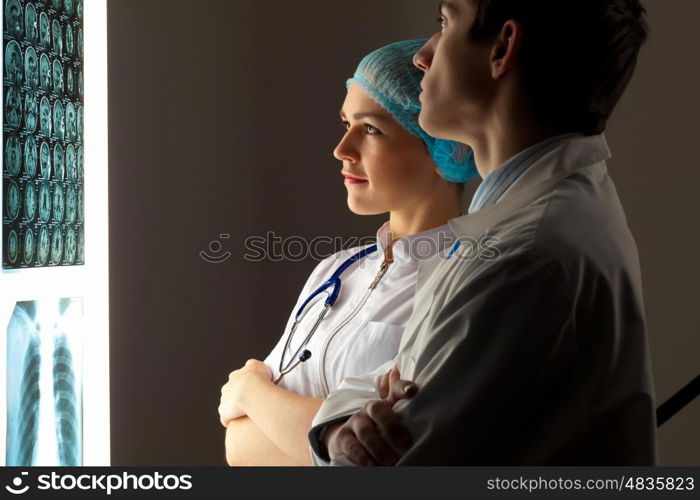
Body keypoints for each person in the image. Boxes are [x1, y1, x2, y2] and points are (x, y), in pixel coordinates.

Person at [310, 0, 657, 466]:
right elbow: (379, 387)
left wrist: (335, 436)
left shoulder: (522, 258)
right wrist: (336, 428)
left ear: (503, 48)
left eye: (445, 23)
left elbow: (391, 467)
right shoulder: (518, 220)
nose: (422, 55)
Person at [218, 39, 478, 466]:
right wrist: (307, 435)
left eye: (371, 128)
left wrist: (251, 390)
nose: (342, 149)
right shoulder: (334, 269)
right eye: (346, 124)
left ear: (442, 146)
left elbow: (385, 457)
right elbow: (237, 444)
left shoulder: (461, 287)